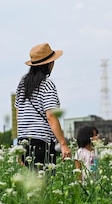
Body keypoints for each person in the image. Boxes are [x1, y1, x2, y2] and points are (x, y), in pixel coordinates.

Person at [15, 43, 71, 171]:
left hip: (23, 142)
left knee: (31, 186)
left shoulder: (22, 84)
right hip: (41, 143)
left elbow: (19, 116)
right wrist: (63, 143)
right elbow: (50, 115)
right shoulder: (47, 84)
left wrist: (19, 148)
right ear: (49, 64)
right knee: (45, 185)